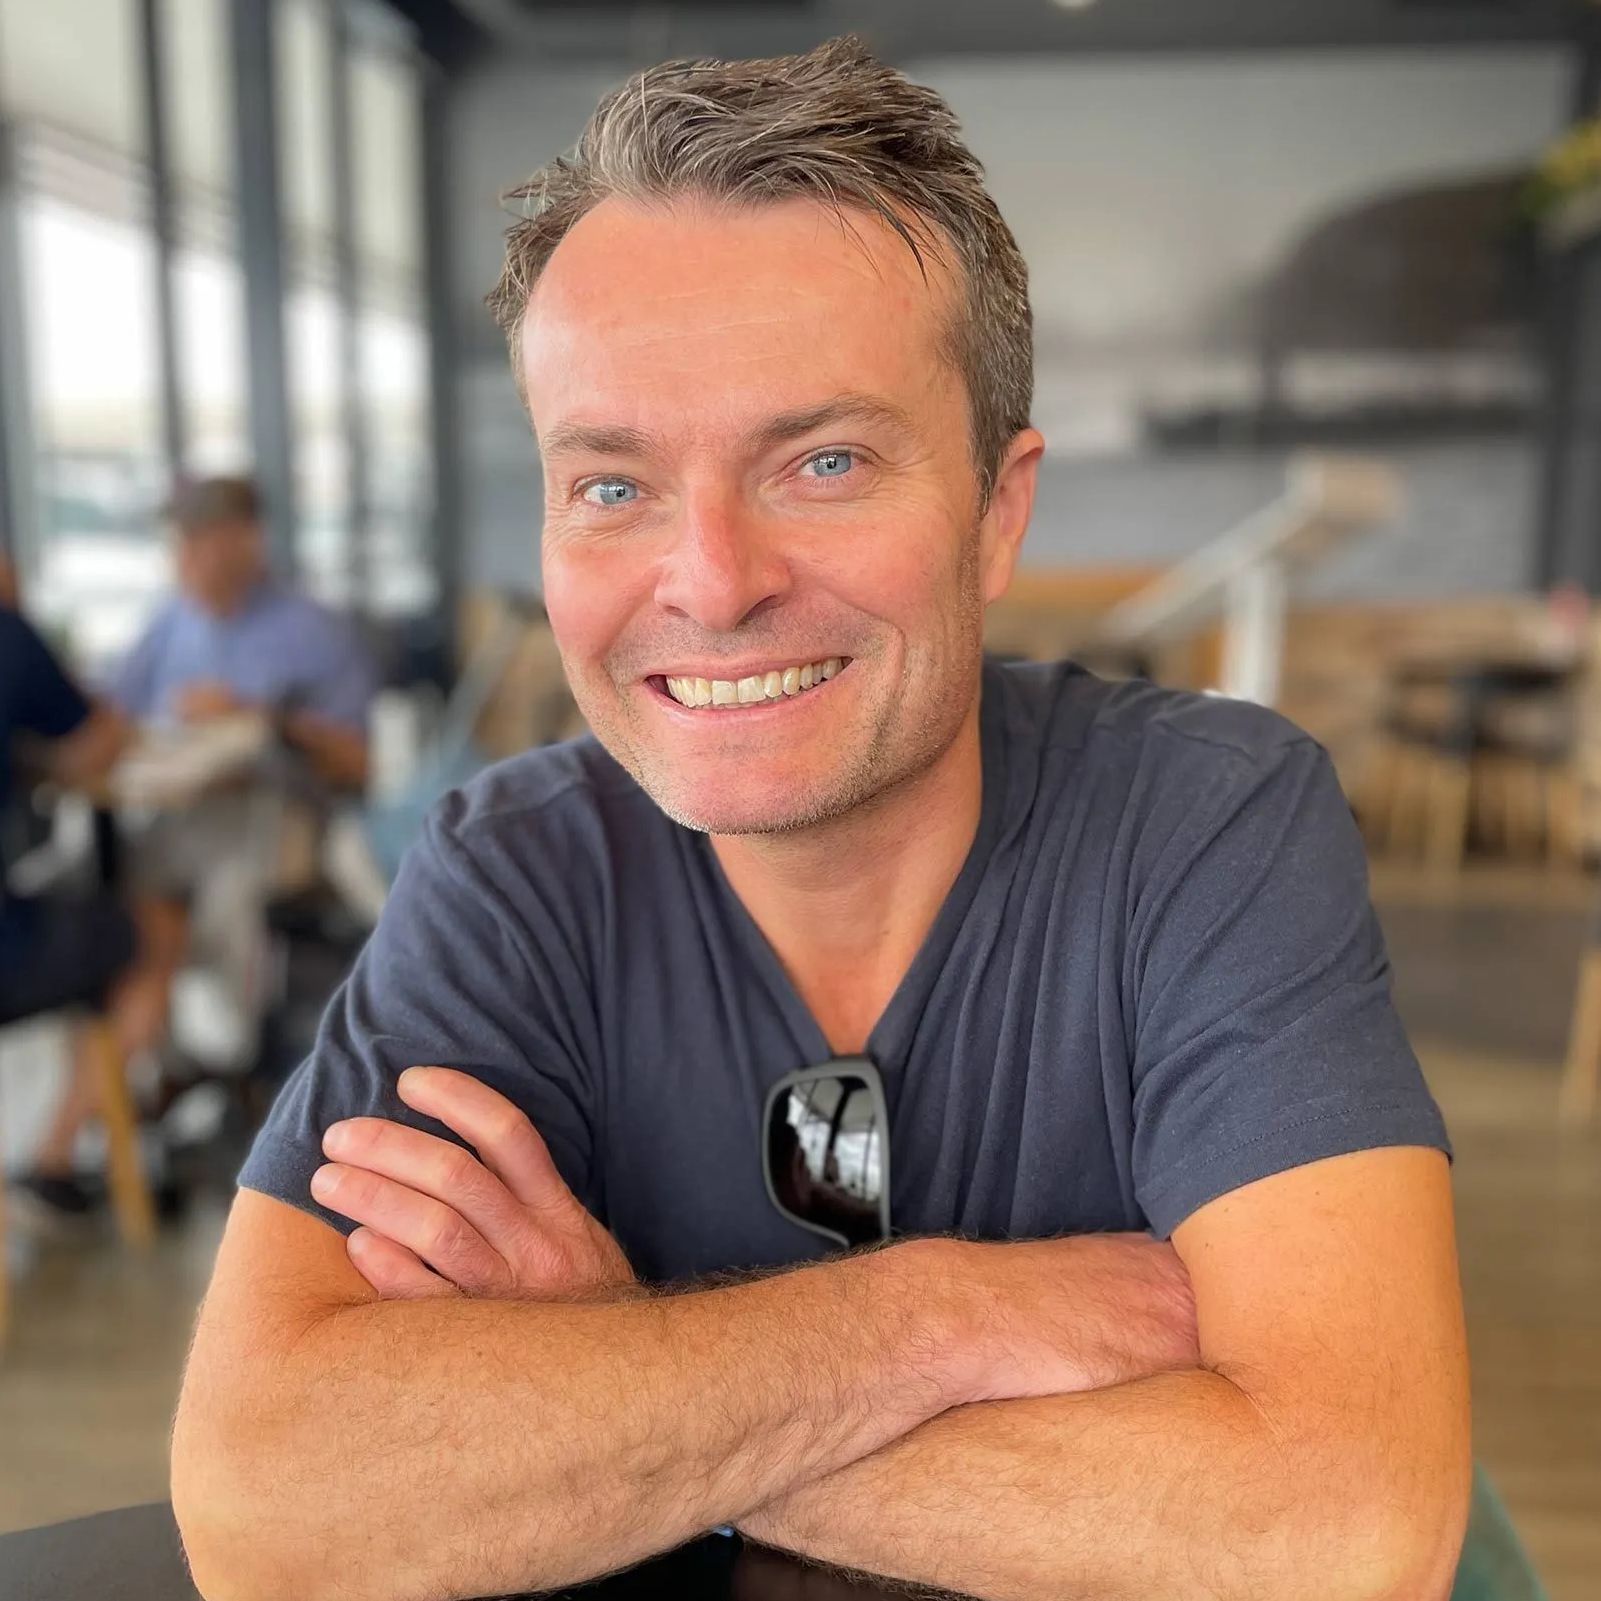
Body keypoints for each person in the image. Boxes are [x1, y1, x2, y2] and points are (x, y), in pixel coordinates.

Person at [172, 38, 1471, 1601]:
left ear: (999, 509)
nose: (711, 582)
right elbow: (266, 1500)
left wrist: (609, 1384)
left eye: (826, 460)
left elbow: (1341, 1530)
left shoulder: (1207, 826)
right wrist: (934, 1322)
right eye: (610, 484)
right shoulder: (514, 871)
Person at [106, 475, 376, 1034]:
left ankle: (235, 1058)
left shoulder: (314, 630)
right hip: (175, 813)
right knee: (111, 898)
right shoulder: (170, 621)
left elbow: (358, 764)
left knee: (224, 900)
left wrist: (259, 718)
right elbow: (107, 717)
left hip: (277, 815)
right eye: (181, 542)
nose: (185, 558)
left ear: (248, 541)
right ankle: (158, 1052)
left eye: (202, 540)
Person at [0, 557, 171, 1222]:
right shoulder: (9, 635)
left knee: (81, 922)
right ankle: (56, 1158)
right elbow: (96, 741)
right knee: (157, 928)